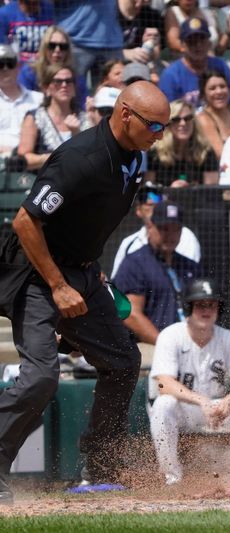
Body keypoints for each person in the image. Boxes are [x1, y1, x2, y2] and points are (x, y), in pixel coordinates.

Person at [0, 81, 169, 503]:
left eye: (165, 127)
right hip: (37, 275)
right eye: (154, 125)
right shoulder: (81, 158)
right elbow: (25, 222)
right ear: (125, 114)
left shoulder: (135, 156)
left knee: (123, 360)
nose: (159, 135)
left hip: (82, 274)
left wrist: (91, 275)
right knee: (41, 376)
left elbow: (88, 223)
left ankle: (101, 468)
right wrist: (58, 287)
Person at [148, 277, 230, 486]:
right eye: (200, 305)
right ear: (189, 307)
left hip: (218, 408)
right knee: (163, 404)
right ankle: (172, 478)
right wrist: (201, 401)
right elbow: (163, 384)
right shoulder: (171, 335)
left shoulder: (228, 338)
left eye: (212, 305)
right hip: (186, 409)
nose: (206, 311)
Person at [112, 200, 202, 345]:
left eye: (176, 229)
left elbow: (202, 309)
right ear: (149, 227)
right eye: (164, 228)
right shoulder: (135, 263)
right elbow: (130, 314)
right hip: (147, 349)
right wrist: (165, 345)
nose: (170, 235)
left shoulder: (190, 266)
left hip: (188, 348)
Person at [111, 184, 201, 279]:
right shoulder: (128, 243)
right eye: (149, 205)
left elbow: (190, 275)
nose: (154, 208)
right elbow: (116, 282)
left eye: (158, 203)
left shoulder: (185, 236)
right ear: (138, 211)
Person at [17, 64, 91, 171]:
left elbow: (92, 157)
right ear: (46, 88)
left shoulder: (85, 118)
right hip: (45, 181)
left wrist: (76, 133)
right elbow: (23, 159)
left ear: (75, 88)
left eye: (69, 81)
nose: (64, 85)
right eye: (58, 81)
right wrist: (56, 157)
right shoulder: (35, 118)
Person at [158, 16, 230, 108]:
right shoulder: (171, 75)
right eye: (192, 41)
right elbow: (169, 113)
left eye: (202, 40)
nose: (198, 45)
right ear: (182, 45)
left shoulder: (220, 66)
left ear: (209, 43)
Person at [146, 100, 219, 186]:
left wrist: (191, 191)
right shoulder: (155, 152)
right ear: (168, 124)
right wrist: (171, 192)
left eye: (188, 118)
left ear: (194, 122)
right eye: (176, 119)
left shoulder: (206, 151)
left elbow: (211, 193)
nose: (183, 123)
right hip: (163, 199)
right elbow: (148, 193)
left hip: (196, 199)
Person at [53, 0, 124, 86]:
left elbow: (129, 12)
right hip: (75, 39)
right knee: (71, 89)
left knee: (114, 92)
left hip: (111, 41)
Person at [18, 25, 88, 111]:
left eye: (63, 47)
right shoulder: (29, 73)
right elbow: (23, 104)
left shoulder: (76, 78)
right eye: (52, 46)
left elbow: (83, 108)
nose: (57, 50)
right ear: (44, 48)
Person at [0, 44, 43, 157]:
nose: (5, 68)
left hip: (30, 160)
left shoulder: (39, 99)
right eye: (0, 64)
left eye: (10, 63)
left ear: (18, 66)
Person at [195, 69, 230, 159]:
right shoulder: (203, 119)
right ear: (204, 94)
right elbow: (220, 154)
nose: (219, 91)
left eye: (222, 86)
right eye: (212, 88)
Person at [165, 0, 230, 56]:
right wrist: (202, 52)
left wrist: (229, 32)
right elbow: (173, 43)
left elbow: (219, 50)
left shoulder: (209, 13)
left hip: (211, 63)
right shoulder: (173, 12)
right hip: (184, 64)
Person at [0, 0, 55, 66]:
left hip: (44, 66)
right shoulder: (5, 13)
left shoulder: (49, 9)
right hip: (16, 67)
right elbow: (2, 49)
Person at [118, 0, 164, 65]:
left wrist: (153, 45)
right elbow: (101, 53)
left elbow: (155, 56)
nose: (138, 4)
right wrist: (125, 54)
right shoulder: (107, 13)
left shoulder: (151, 15)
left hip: (140, 67)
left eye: (142, 1)